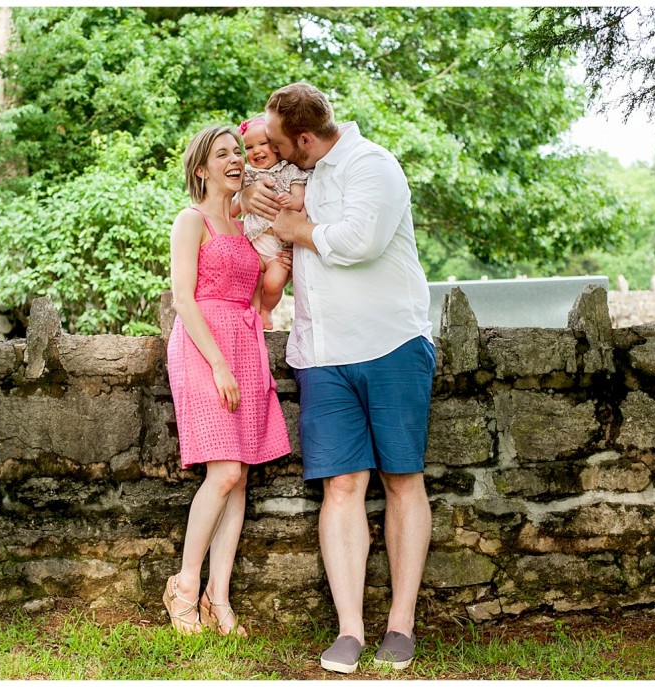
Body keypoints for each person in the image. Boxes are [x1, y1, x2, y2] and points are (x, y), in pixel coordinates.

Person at [242, 82, 435, 673]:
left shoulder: (371, 164)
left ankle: (399, 625)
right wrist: (252, 202)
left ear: (303, 137)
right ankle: (350, 630)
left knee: (402, 479)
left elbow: (361, 241)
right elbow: (235, 201)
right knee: (341, 487)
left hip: (391, 344)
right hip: (320, 353)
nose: (270, 151)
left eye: (277, 142)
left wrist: (301, 232)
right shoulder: (290, 174)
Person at [163, 125, 292, 637]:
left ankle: (220, 596)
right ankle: (184, 587)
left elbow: (262, 301)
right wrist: (217, 363)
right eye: (223, 154)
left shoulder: (247, 226)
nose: (236, 159)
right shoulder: (190, 221)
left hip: (246, 343)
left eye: (237, 152)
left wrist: (276, 278)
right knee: (223, 474)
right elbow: (182, 299)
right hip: (203, 347)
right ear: (202, 168)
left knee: (239, 476)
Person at [235, 114, 309, 330]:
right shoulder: (246, 175)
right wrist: (242, 196)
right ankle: (253, 312)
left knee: (273, 282)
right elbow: (231, 208)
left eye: (262, 144)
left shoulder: (289, 171)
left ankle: (266, 310)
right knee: (252, 280)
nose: (255, 151)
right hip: (253, 241)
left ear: (276, 145)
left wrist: (291, 200)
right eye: (248, 147)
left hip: (277, 249)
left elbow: (299, 200)